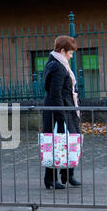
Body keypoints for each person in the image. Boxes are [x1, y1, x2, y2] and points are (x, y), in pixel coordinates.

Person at [42, 35, 82, 190]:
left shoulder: (58, 63)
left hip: (65, 109)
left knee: (68, 142)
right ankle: (51, 178)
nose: (71, 56)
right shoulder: (58, 66)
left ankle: (68, 175)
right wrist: (60, 116)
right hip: (60, 110)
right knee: (56, 143)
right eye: (70, 53)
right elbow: (55, 93)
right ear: (63, 50)